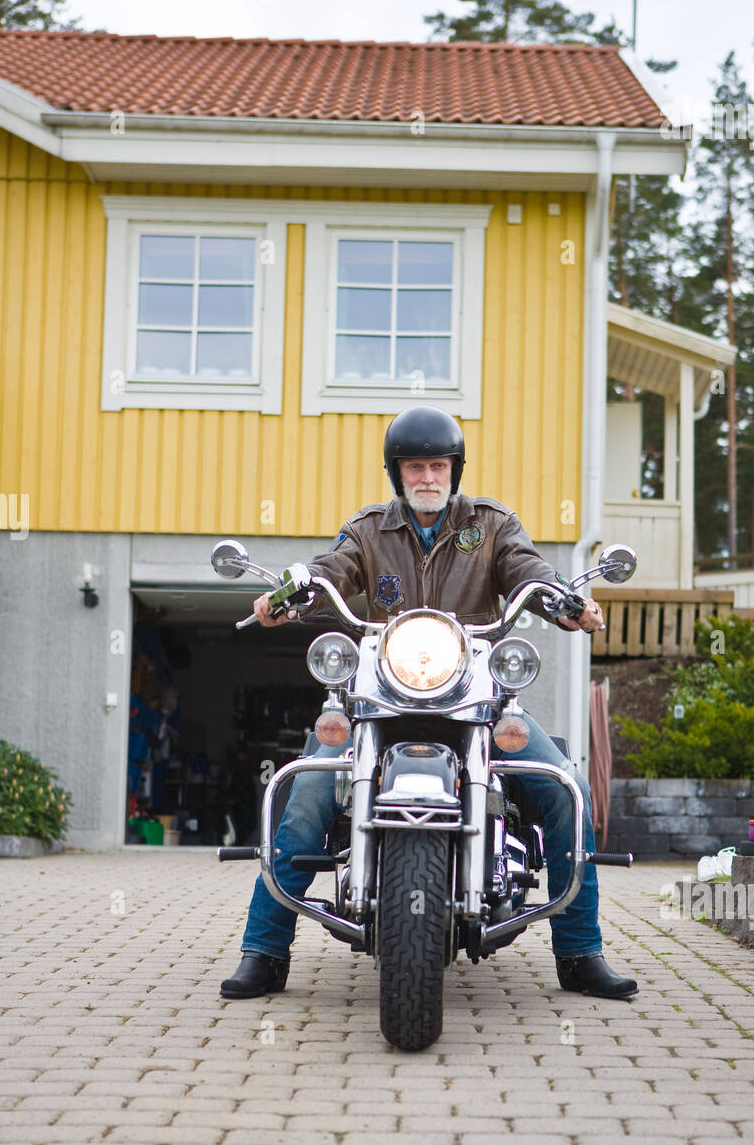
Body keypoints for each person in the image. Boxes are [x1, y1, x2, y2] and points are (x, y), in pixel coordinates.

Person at [220, 406, 637, 1002]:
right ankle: (263, 951)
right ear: (397, 473)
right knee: (307, 798)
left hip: (474, 697)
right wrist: (290, 595)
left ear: (454, 469)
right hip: (380, 696)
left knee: (565, 787)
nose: (427, 477)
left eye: (437, 465)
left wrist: (563, 601)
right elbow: (330, 570)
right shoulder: (370, 530)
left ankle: (580, 953)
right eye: (415, 466)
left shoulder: (490, 525)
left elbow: (527, 570)